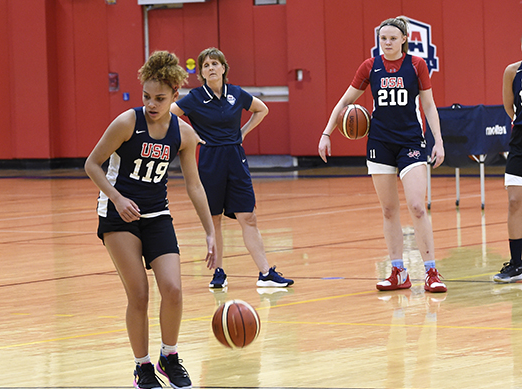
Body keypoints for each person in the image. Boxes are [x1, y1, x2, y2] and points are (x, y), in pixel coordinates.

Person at [84, 51, 216, 389]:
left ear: (175, 96)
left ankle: (168, 357)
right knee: (139, 293)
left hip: (157, 214)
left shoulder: (184, 134)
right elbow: (92, 164)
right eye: (146, 97)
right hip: (118, 214)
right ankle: (142, 366)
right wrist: (116, 197)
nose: (152, 104)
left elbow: (195, 185)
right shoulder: (127, 123)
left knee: (172, 288)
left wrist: (210, 232)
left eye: (160, 98)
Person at [318, 16, 447, 293]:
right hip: (380, 143)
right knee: (389, 210)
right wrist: (327, 133)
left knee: (417, 206)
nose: (386, 43)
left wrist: (438, 141)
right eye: (382, 39)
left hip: (411, 142)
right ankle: (399, 271)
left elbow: (429, 105)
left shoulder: (416, 65)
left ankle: (431, 271)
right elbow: (345, 102)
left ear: (403, 40)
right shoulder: (370, 66)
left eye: (392, 38)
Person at [170, 47, 293, 290]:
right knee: (214, 218)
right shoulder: (194, 97)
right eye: (206, 65)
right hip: (210, 159)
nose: (211, 68)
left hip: (236, 157)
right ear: (202, 73)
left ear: (224, 68)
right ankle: (218, 272)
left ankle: (266, 273)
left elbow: (262, 109)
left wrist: (243, 132)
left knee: (248, 216)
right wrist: (192, 135)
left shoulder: (236, 93)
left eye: (215, 63)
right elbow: (170, 115)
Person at [495, 38, 522, 282]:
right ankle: (517, 263)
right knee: (515, 200)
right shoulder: (513, 71)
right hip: (520, 141)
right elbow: (509, 107)